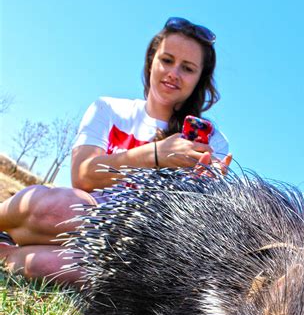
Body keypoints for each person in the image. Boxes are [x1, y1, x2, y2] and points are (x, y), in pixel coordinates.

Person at [0, 17, 231, 284]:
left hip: (133, 243)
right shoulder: (109, 109)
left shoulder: (212, 141)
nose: (174, 74)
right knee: (54, 207)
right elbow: (83, 175)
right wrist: (155, 156)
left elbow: (191, 228)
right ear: (151, 61)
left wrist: (208, 193)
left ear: (199, 78)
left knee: (62, 267)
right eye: (167, 60)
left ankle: (6, 254)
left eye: (188, 68)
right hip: (79, 215)